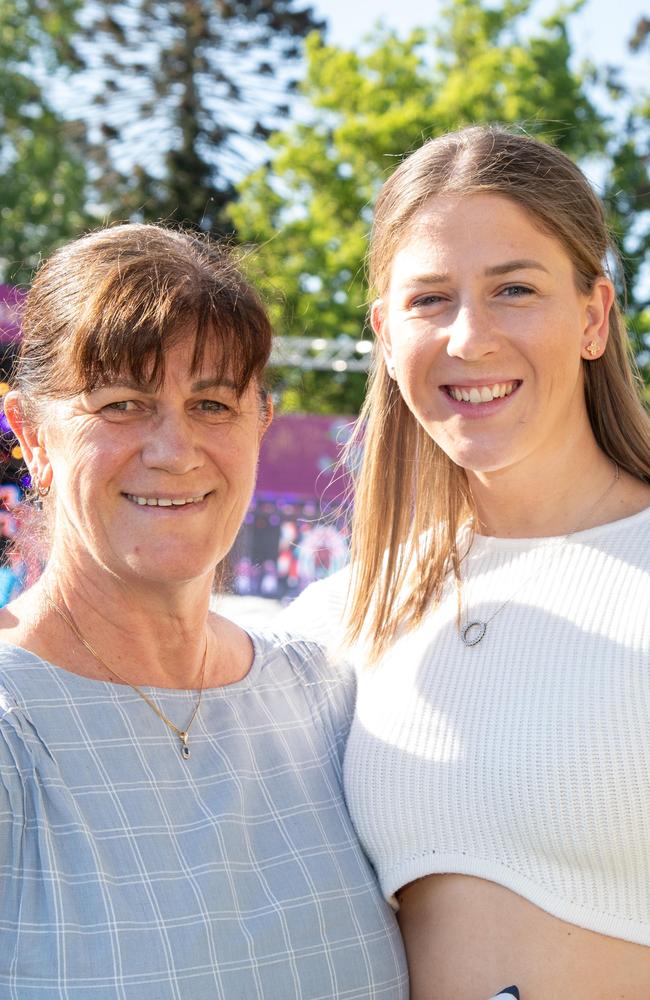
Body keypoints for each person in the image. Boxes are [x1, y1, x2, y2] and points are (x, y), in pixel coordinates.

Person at [279, 125, 650, 1000]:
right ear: (383, 332)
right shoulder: (340, 620)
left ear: (594, 316)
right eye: (430, 299)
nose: (470, 337)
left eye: (514, 288)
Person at [0, 223, 408, 998]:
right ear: (31, 435)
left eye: (212, 402)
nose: (174, 448)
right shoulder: (13, 729)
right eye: (122, 404)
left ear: (261, 420)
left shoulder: (322, 698)